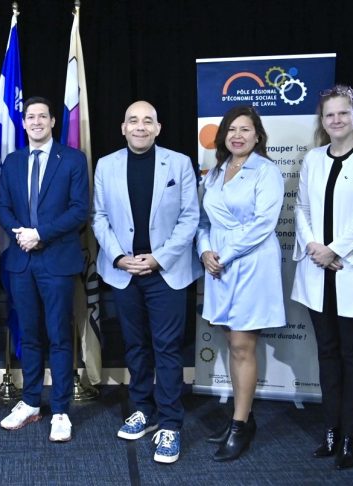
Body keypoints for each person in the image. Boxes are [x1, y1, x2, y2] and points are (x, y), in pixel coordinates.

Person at [92, 100, 201, 464]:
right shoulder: (106, 166)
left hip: (166, 273)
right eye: (133, 121)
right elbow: (99, 217)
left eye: (147, 121)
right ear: (123, 128)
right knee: (135, 346)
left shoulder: (179, 163)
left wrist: (158, 258)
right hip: (124, 272)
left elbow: (190, 218)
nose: (140, 127)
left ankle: (170, 423)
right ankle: (143, 409)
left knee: (167, 348)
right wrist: (119, 258)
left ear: (158, 128)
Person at [291, 85, 353, 470]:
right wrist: (316, 247)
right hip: (319, 272)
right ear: (322, 121)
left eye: (342, 114)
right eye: (329, 115)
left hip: (352, 271)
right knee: (328, 356)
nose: (335, 120)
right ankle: (330, 430)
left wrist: (337, 250)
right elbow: (300, 207)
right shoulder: (313, 159)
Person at [0, 96, 89, 442]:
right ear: (23, 123)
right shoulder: (13, 161)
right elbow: (2, 206)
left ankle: (61, 409)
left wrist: (40, 234)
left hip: (57, 261)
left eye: (42, 117)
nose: (35, 122)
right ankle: (31, 401)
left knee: (60, 337)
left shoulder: (73, 160)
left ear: (53, 122)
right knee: (30, 335)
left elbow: (80, 210)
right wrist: (20, 234)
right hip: (21, 261)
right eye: (30, 117)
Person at [196, 105, 285, 461]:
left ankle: (239, 425)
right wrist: (205, 252)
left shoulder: (266, 171)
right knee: (233, 343)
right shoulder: (215, 173)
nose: (237, 135)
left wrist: (224, 255)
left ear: (258, 136)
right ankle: (242, 418)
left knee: (242, 345)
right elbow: (202, 221)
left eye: (245, 130)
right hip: (218, 266)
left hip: (250, 264)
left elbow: (264, 224)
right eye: (232, 129)